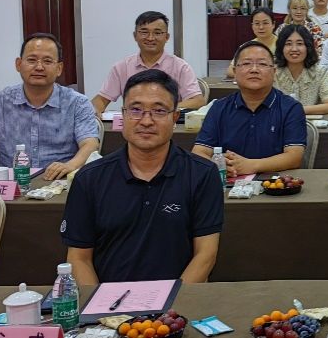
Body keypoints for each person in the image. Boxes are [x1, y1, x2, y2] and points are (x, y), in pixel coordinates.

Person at [62, 69, 223, 284]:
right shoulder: (89, 178)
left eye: (159, 111)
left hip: (177, 300)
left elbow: (205, 255)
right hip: (109, 299)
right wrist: (100, 302)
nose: (146, 121)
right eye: (136, 110)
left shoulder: (202, 174)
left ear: (175, 118)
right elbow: (79, 258)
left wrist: (172, 301)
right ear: (123, 115)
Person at [0, 33, 99, 180]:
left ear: (59, 68)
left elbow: (90, 144)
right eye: (32, 60)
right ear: (18, 64)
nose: (39, 67)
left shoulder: (77, 103)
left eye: (47, 61)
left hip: (60, 181)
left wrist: (70, 165)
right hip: (14, 184)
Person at [193, 41, 306, 174]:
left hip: (275, 182)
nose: (254, 69)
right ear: (234, 72)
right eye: (246, 64)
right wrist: (219, 165)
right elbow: (199, 152)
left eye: (262, 64)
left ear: (274, 72)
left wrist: (251, 165)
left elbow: (294, 157)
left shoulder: (291, 108)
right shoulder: (219, 108)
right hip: (229, 181)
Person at [91, 11, 204, 117]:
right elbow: (101, 100)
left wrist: (162, 110)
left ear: (167, 37)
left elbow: (197, 101)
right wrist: (94, 112)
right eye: (144, 32)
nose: (150, 38)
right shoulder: (122, 67)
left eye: (157, 33)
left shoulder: (180, 67)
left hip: (167, 124)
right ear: (135, 36)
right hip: (132, 124)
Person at [274, 25, 328, 115]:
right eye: (288, 44)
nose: (294, 49)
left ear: (308, 47)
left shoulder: (319, 72)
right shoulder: (272, 72)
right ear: (281, 48)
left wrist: (296, 110)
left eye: (300, 44)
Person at [226, 8, 278, 79]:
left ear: (273, 24)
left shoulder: (284, 45)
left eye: (265, 23)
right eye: (257, 23)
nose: (261, 27)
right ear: (252, 25)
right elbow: (230, 70)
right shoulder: (246, 47)